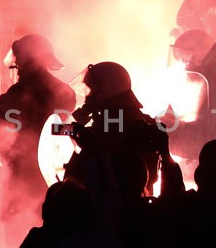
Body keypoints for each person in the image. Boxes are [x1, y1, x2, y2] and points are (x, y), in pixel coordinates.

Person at [0, 34, 76, 243]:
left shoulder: (16, 95)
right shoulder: (65, 93)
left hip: (21, 176)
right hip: (55, 176)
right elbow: (67, 132)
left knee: (17, 237)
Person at [64, 61, 161, 195]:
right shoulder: (123, 116)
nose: (87, 96)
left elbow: (95, 147)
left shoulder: (114, 123)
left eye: (90, 89)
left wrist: (71, 131)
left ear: (106, 89)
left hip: (110, 203)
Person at [168, 28, 216, 160]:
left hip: (208, 157)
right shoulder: (190, 78)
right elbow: (173, 112)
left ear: (199, 53)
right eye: (178, 54)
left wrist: (176, 126)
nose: (181, 60)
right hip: (187, 154)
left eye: (184, 54)